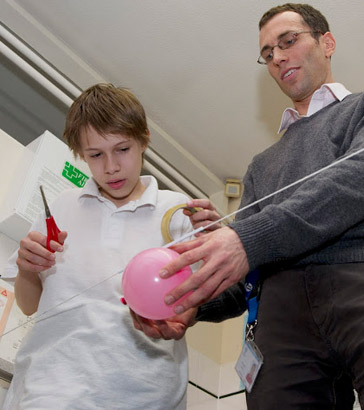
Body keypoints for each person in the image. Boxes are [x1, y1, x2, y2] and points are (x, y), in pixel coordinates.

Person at [132, 4, 364, 409]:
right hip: (279, 322)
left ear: (327, 42)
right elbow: (245, 273)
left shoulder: (359, 110)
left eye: (288, 41)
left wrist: (247, 237)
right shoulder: (261, 166)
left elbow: (355, 180)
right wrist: (193, 304)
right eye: (268, 53)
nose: (277, 58)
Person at [1, 83, 205, 409]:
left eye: (122, 149)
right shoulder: (62, 206)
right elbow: (28, 305)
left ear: (143, 141)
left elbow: (197, 303)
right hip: (47, 392)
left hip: (145, 396)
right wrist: (27, 268)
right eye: (95, 155)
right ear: (81, 154)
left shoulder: (177, 211)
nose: (110, 167)